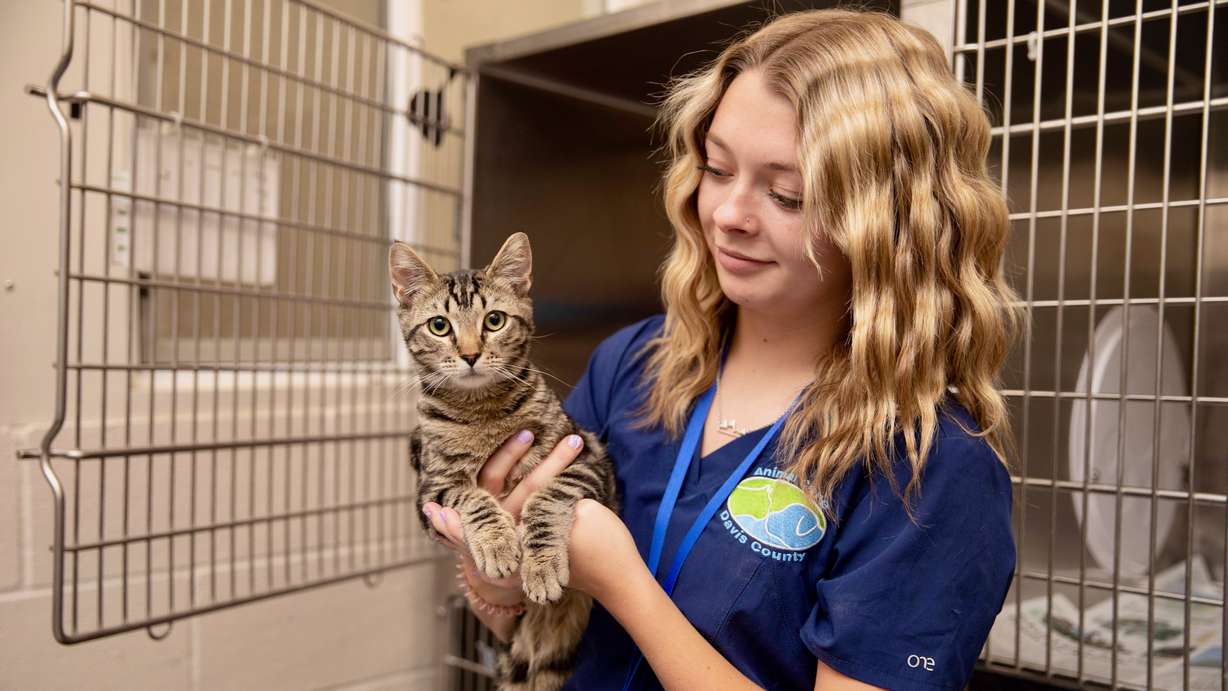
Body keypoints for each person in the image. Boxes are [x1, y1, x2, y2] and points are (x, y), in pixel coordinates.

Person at [422, 7, 1019, 690]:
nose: (729, 215)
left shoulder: (929, 467)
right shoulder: (632, 367)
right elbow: (530, 627)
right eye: (716, 167)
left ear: (885, 226)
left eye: (786, 194)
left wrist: (622, 581)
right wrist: (495, 573)